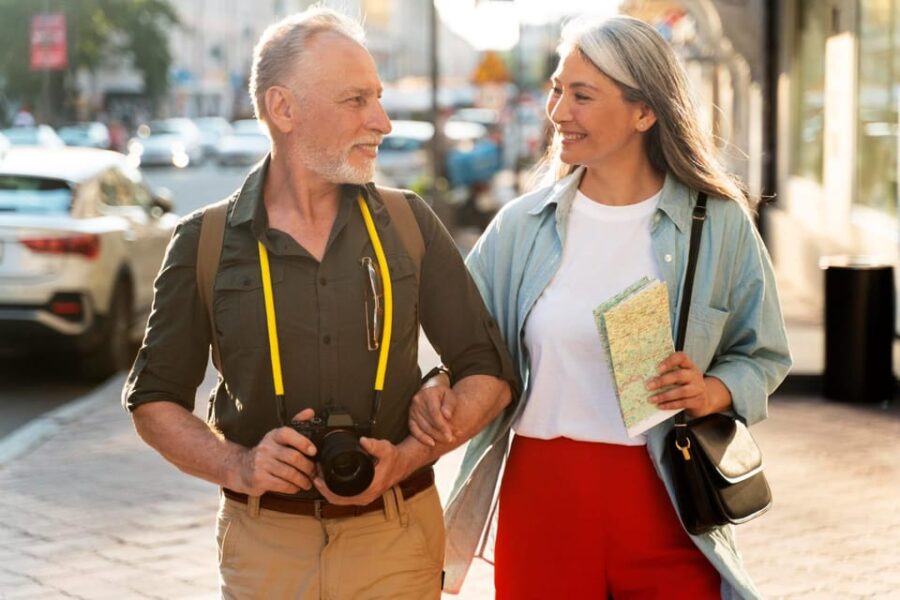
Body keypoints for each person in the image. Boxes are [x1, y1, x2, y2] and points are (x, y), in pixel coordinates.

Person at [122, 8, 514, 599]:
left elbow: (491, 373)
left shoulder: (410, 223)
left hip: (398, 536)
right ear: (283, 109)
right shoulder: (203, 241)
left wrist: (408, 455)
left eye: (377, 98)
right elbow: (153, 400)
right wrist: (238, 466)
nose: (381, 121)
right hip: (264, 548)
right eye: (356, 100)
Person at [411, 15, 791, 599]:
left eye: (582, 95)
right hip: (544, 496)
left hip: (667, 496)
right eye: (558, 90)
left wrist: (710, 392)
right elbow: (466, 347)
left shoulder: (715, 223)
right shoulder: (522, 226)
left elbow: (761, 352)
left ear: (645, 112)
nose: (558, 111)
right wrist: (440, 377)